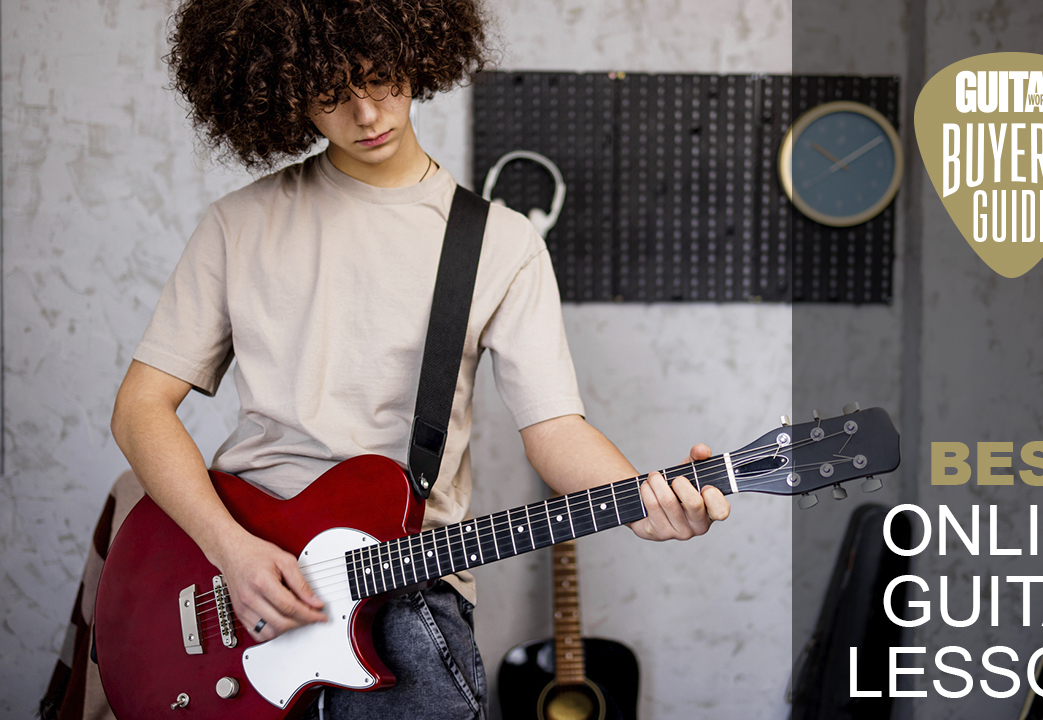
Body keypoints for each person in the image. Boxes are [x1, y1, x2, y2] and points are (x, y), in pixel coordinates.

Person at [108, 0, 730, 717]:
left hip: (404, 596)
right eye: (332, 94)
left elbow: (554, 429)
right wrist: (230, 551)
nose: (368, 114)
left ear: (418, 50)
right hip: (237, 580)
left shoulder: (500, 243)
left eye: (381, 78)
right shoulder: (237, 224)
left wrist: (641, 505)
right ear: (281, 90)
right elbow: (138, 407)